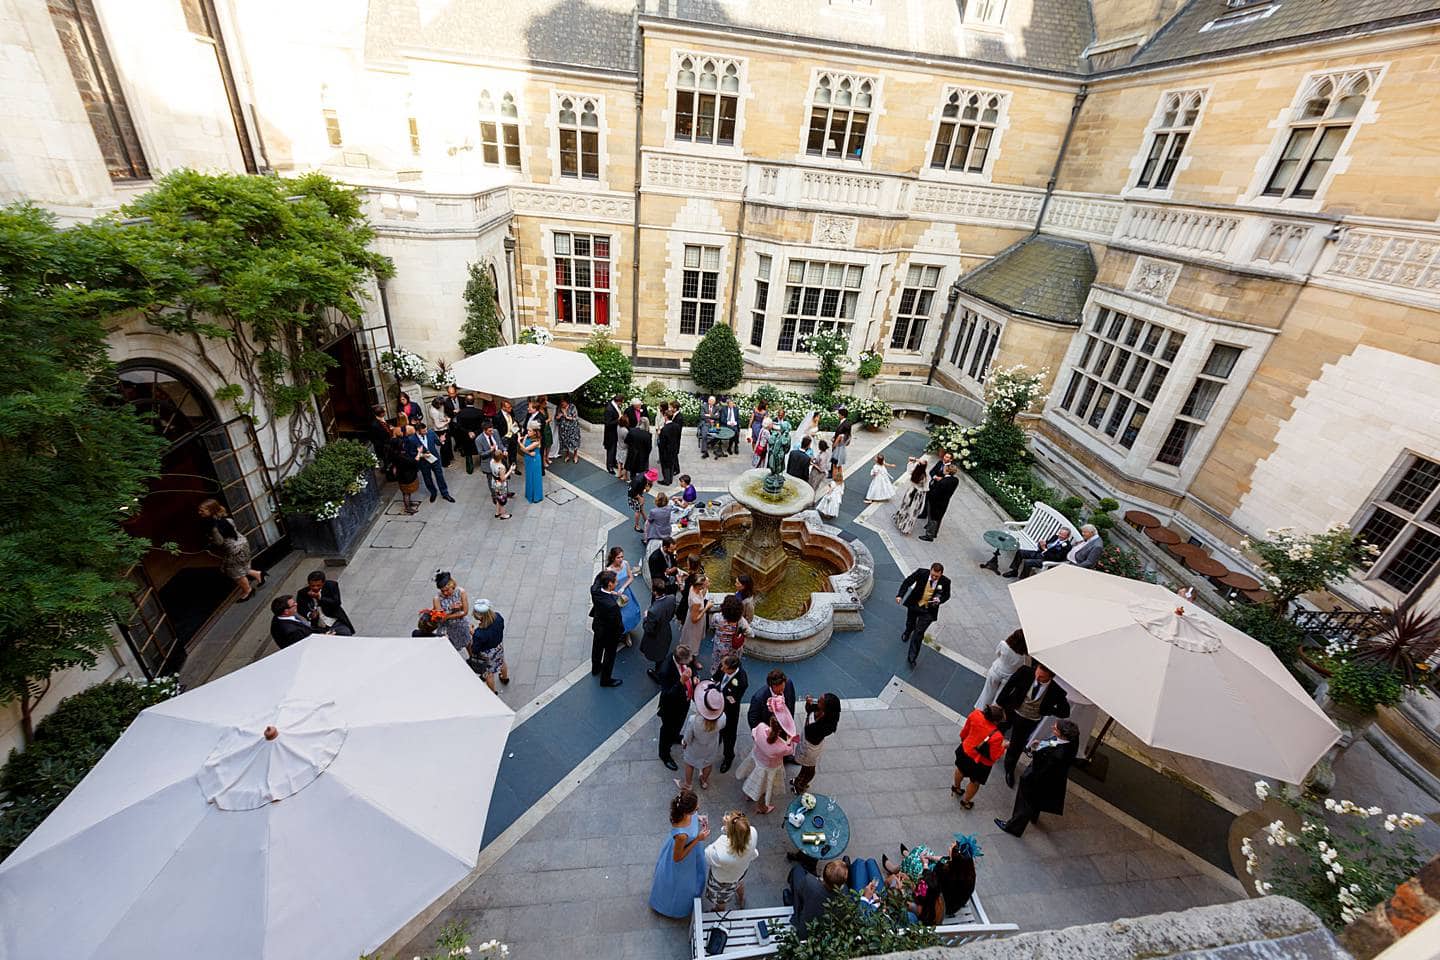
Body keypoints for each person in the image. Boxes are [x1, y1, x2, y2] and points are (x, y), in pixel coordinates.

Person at [996, 719, 1080, 837]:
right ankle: (1033, 815)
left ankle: (1014, 827)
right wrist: (1043, 744)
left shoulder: (1057, 755)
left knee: (1025, 802)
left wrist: (1036, 750)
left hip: (1038, 779)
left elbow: (1040, 767)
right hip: (1050, 779)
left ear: (1062, 734)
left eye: (1055, 729)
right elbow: (1056, 743)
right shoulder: (1071, 742)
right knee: (1036, 800)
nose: (1052, 728)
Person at [997, 661, 1072, 787]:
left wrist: (1047, 710)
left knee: (1017, 746)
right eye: (1037, 673)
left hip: (1029, 720)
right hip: (1011, 710)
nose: (1037, 678)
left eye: (1041, 677)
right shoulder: (1025, 672)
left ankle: (1009, 768)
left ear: (1050, 677)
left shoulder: (1056, 690)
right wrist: (1000, 704)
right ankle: (988, 750)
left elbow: (1065, 712)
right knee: (998, 731)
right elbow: (1009, 685)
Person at [649, 789, 709, 918]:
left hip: (693, 851)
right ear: (687, 811)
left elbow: (692, 816)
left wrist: (698, 817)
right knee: (681, 884)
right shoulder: (681, 835)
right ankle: (672, 907)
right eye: (695, 808)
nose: (698, 807)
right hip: (684, 857)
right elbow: (677, 857)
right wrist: (698, 839)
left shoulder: (685, 812)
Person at [735, 696, 795, 814]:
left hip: (756, 758)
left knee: (752, 776)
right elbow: (790, 750)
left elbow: (754, 734)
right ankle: (762, 808)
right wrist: (790, 740)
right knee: (763, 789)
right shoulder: (782, 746)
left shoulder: (761, 727)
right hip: (768, 768)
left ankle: (749, 794)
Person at [198, 499, 263, 602]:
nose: (199, 512)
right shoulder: (224, 518)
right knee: (239, 566)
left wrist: (211, 539)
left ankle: (248, 590)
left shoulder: (214, 525)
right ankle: (258, 574)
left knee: (234, 571)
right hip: (242, 543)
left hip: (235, 549)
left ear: (211, 510)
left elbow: (219, 542)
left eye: (202, 510)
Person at [896, 562, 951, 668]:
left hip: (929, 610)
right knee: (910, 622)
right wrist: (900, 595)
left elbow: (947, 595)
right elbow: (907, 582)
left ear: (941, 574)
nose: (934, 578)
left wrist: (940, 600)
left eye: (937, 576)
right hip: (915, 604)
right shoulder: (921, 573)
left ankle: (912, 657)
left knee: (919, 633)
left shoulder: (945, 582)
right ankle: (907, 632)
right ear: (930, 570)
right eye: (933, 575)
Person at [953, 704, 1006, 810]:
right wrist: (1004, 747)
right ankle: (966, 802)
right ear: (996, 721)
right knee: (975, 782)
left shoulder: (975, 715)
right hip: (981, 763)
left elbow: (964, 733)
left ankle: (956, 788)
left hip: (966, 750)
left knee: (960, 770)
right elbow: (993, 756)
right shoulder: (997, 736)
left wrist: (966, 742)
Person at [678, 679, 727, 791]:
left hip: (695, 748)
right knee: (708, 764)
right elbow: (722, 727)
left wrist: (684, 742)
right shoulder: (723, 717)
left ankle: (688, 784)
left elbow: (688, 736)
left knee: (689, 764)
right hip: (711, 747)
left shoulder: (694, 720)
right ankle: (704, 781)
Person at [704, 810, 757, 910]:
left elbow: (707, 855)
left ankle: (718, 910)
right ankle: (741, 900)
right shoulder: (753, 832)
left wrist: (725, 830)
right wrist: (729, 828)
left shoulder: (721, 853)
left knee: (721, 901)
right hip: (740, 871)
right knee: (739, 882)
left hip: (723, 881)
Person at [790, 692, 841, 794]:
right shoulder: (818, 707)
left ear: (826, 707)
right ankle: (799, 779)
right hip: (806, 741)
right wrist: (808, 704)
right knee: (805, 765)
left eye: (820, 701)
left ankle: (801, 785)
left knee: (809, 768)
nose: (817, 701)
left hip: (810, 748)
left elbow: (809, 729)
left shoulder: (826, 726)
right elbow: (808, 710)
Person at [785, 860, 848, 940]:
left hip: (805, 931)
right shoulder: (845, 895)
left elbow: (800, 894)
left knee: (798, 870)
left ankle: (792, 900)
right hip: (826, 935)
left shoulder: (810, 883)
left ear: (824, 875)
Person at [656, 644, 695, 769]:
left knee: (679, 723)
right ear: (680, 660)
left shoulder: (685, 658)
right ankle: (664, 754)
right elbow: (668, 694)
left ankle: (674, 737)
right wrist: (681, 682)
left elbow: (692, 668)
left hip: (684, 701)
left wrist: (694, 678)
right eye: (688, 660)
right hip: (671, 707)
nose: (691, 660)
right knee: (667, 730)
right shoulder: (665, 670)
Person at [711, 653, 748, 773]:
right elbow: (716, 678)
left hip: (730, 711)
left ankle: (728, 757)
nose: (721, 669)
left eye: (724, 668)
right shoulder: (724, 665)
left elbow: (732, 699)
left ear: (732, 669)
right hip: (718, 705)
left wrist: (721, 697)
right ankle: (719, 738)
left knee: (729, 735)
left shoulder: (741, 681)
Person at [974, 629, 1028, 711]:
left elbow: (998, 653)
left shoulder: (1003, 645)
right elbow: (1020, 667)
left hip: (996, 671)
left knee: (987, 692)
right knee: (998, 699)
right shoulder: (1023, 657)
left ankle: (980, 710)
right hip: (1009, 677)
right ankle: (992, 713)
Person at [589, 569, 625, 687]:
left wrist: (606, 574)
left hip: (598, 627)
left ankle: (595, 668)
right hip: (609, 635)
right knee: (609, 656)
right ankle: (605, 680)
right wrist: (620, 634)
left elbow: (598, 578)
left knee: (597, 649)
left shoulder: (595, 590)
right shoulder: (612, 606)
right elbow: (618, 624)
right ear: (610, 584)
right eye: (615, 582)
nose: (617, 583)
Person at [295, 570, 355, 635]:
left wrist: (320, 598)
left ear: (323, 583)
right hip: (318, 626)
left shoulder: (331, 586)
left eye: (318, 585)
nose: (315, 588)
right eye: (312, 586)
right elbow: (301, 608)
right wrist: (310, 614)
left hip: (335, 620)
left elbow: (336, 602)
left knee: (346, 634)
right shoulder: (302, 593)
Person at [604, 545, 644, 641]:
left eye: (622, 557)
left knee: (631, 613)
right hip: (615, 596)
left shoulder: (625, 564)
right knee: (620, 618)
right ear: (613, 558)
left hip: (626, 593)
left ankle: (626, 633)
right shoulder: (608, 570)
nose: (621, 559)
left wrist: (623, 588)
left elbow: (631, 577)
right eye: (618, 557)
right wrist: (615, 593)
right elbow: (606, 589)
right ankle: (619, 635)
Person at [468, 599, 509, 691]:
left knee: (488, 674)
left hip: (486, 654)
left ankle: (493, 692)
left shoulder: (479, 633)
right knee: (502, 662)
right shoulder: (498, 617)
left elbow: (475, 649)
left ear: (479, 617)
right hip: (498, 647)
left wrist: (473, 634)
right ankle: (504, 677)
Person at [409, 422, 455, 504]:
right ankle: (433, 492)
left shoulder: (430, 432)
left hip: (435, 459)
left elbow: (437, 442)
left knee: (440, 476)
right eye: (424, 431)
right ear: (418, 431)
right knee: (427, 478)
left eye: (426, 430)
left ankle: (445, 493)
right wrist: (422, 455)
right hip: (423, 462)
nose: (426, 432)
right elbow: (412, 453)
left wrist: (441, 441)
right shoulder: (412, 439)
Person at [642, 579, 679, 677]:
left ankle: (658, 673)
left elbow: (648, 629)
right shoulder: (672, 598)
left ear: (654, 592)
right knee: (664, 650)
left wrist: (645, 617)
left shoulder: (653, 611)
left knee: (658, 654)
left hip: (657, 636)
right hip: (666, 630)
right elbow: (672, 614)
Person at [1004, 527, 1074, 579]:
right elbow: (1046, 544)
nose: (1060, 536)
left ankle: (1022, 579)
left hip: (1046, 560)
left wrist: (1044, 549)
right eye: (1060, 533)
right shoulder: (1055, 537)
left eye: (1062, 535)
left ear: (1067, 536)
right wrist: (1041, 544)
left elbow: (1056, 558)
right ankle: (1014, 571)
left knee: (1027, 562)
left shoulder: (1067, 546)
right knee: (1020, 552)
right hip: (1039, 553)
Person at [432, 572, 472, 654]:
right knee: (450, 649)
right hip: (447, 628)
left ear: (452, 585)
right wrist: (450, 609)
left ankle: (472, 658)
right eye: (442, 591)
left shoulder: (461, 592)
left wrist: (448, 616)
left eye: (447, 590)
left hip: (461, 624)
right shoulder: (437, 599)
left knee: (468, 643)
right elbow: (441, 618)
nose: (445, 593)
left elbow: (465, 612)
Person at [919, 464, 959, 542]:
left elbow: (935, 493)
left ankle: (929, 535)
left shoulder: (943, 482)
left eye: (945, 469)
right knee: (938, 518)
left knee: (932, 518)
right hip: (944, 502)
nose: (943, 469)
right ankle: (934, 532)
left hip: (935, 503)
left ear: (947, 471)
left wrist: (930, 492)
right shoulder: (955, 480)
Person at [709, 594, 752, 663]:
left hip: (719, 646)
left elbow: (712, 625)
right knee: (731, 664)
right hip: (733, 649)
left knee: (717, 662)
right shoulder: (741, 621)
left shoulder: (716, 617)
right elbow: (750, 633)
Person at [453, 395, 489, 474]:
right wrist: (475, 432)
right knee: (481, 451)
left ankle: (469, 469)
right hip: (478, 435)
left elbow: (459, 426)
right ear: (474, 401)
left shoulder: (460, 413)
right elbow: (483, 426)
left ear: (465, 402)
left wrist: (468, 432)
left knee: (468, 453)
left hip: (465, 436)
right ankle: (484, 468)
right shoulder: (480, 412)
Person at [893, 459, 930, 535]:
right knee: (912, 512)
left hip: (910, 491)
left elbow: (909, 468)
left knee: (904, 507)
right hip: (918, 495)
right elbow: (926, 488)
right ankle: (905, 528)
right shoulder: (925, 476)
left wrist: (914, 461)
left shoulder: (914, 471)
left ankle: (899, 521)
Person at [390, 424, 421, 514]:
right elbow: (413, 462)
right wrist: (419, 453)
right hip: (406, 475)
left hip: (401, 474)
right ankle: (407, 508)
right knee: (406, 492)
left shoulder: (394, 453)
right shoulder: (401, 456)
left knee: (406, 491)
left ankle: (409, 504)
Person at [679, 571, 712, 654]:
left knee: (688, 636)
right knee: (693, 639)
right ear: (699, 586)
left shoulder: (693, 588)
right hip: (696, 622)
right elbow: (694, 620)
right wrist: (706, 607)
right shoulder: (696, 602)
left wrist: (705, 587)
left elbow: (701, 595)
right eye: (704, 584)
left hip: (691, 613)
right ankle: (691, 654)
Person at [657, 404, 683, 484]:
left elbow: (662, 443)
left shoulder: (664, 429)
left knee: (665, 466)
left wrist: (659, 435)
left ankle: (667, 480)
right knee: (671, 464)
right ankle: (670, 478)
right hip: (674, 448)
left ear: (666, 417)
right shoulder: (676, 426)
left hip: (666, 451)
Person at [517, 427, 543, 503]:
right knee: (529, 476)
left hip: (535, 460)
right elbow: (522, 449)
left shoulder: (537, 441)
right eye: (528, 430)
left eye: (530, 431)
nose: (528, 432)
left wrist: (518, 441)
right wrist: (529, 453)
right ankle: (530, 495)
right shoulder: (527, 436)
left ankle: (536, 497)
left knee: (535, 477)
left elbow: (525, 448)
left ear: (534, 432)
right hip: (528, 458)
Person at [625, 414, 653, 482]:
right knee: (641, 472)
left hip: (632, 454)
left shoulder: (632, 431)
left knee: (632, 471)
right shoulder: (647, 435)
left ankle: (632, 480)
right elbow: (649, 448)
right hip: (642, 456)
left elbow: (626, 441)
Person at [496, 399, 521, 472]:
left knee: (513, 454)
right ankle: (505, 471)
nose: (511, 408)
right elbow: (496, 430)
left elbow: (514, 420)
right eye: (509, 407)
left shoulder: (511, 412)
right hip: (504, 438)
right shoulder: (497, 416)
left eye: (511, 406)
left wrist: (516, 425)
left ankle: (513, 469)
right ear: (503, 408)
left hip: (513, 436)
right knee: (504, 455)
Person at [554, 396, 581, 463]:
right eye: (561, 402)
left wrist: (566, 415)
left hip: (573, 428)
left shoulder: (572, 407)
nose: (562, 403)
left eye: (563, 402)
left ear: (567, 401)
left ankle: (575, 455)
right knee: (565, 442)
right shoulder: (559, 407)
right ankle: (567, 455)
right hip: (563, 428)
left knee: (574, 441)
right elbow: (556, 417)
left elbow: (575, 418)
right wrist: (558, 417)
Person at [487, 450, 513, 520]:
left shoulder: (492, 461)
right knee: (502, 499)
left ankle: (497, 512)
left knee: (498, 497)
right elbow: (503, 478)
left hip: (494, 482)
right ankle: (503, 515)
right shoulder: (501, 467)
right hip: (500, 485)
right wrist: (510, 470)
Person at [603, 393, 623, 475]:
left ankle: (613, 462)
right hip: (610, 433)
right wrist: (618, 420)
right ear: (619, 401)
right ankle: (609, 466)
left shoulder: (615, 406)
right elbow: (608, 423)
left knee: (614, 449)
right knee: (611, 450)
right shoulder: (609, 409)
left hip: (615, 432)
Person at [429, 397, 452, 467]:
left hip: (445, 428)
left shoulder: (440, 406)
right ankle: (445, 463)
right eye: (441, 405)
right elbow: (438, 425)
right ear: (437, 404)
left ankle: (449, 458)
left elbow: (441, 415)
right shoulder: (434, 412)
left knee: (448, 444)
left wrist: (445, 418)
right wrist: (447, 422)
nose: (442, 406)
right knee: (444, 447)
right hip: (440, 431)